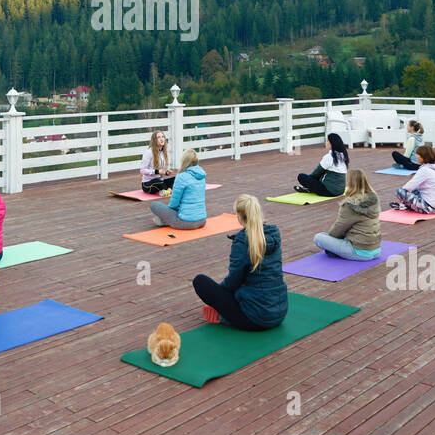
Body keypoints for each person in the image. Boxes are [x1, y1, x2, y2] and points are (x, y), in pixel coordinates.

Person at [193, 194, 287, 331]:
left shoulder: (243, 241)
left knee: (200, 281)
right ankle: (227, 312)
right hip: (279, 313)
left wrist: (219, 298)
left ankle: (224, 316)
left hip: (255, 319)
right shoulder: (273, 234)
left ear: (239, 216)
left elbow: (232, 281)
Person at [314, 169, 381, 261]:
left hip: (359, 252)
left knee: (319, 237)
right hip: (376, 250)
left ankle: (336, 251)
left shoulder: (350, 204)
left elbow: (339, 228)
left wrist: (330, 242)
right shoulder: (373, 198)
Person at [150, 149, 208, 229]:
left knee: (154, 205)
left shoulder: (181, 177)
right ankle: (164, 220)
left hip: (186, 222)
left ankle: (164, 220)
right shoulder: (202, 176)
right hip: (202, 220)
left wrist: (167, 213)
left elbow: (174, 203)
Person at [390, 144, 435, 214]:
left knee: (399, 191)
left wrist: (404, 197)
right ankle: (410, 206)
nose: (416, 156)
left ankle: (409, 206)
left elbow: (408, 187)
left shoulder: (424, 170)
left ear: (423, 157)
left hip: (430, 207)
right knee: (415, 191)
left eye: (418, 154)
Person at [296, 133, 349, 197]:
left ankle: (309, 188)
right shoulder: (343, 155)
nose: (326, 142)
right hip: (341, 191)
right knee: (322, 175)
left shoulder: (329, 157)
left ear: (331, 143)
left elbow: (316, 173)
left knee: (301, 176)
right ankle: (310, 188)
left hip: (329, 191)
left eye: (327, 141)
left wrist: (308, 182)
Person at [140, 130, 175, 194]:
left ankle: (168, 190)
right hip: (147, 184)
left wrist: (166, 172)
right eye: (159, 137)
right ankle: (169, 190)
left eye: (163, 137)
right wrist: (156, 171)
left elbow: (162, 171)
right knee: (158, 181)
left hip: (160, 180)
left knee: (177, 178)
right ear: (154, 140)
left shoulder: (164, 152)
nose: (162, 139)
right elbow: (142, 170)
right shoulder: (149, 152)